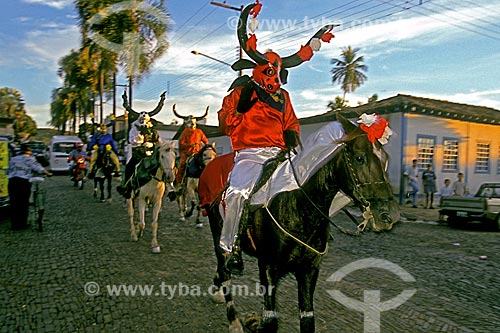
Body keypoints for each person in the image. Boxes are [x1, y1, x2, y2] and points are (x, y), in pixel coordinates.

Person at [6, 143, 52, 230]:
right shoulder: (29, 159)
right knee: (23, 202)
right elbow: (39, 168)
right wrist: (48, 173)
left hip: (12, 181)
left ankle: (14, 225)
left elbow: (8, 171)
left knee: (14, 203)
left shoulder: (13, 159)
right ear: (29, 151)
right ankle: (22, 224)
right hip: (23, 182)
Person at [116, 115, 160, 199]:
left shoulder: (153, 131)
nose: (144, 121)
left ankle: (170, 186)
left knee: (164, 165)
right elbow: (131, 140)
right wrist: (139, 141)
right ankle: (125, 186)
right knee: (130, 167)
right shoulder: (134, 129)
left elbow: (157, 141)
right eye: (142, 119)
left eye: (145, 119)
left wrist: (152, 144)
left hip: (151, 153)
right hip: (139, 153)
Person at [175, 115, 208, 185]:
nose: (193, 124)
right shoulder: (185, 132)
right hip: (186, 152)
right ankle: (179, 181)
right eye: (191, 123)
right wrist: (189, 145)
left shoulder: (199, 131)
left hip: (197, 152)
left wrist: (207, 146)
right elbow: (181, 143)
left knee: (205, 161)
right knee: (182, 163)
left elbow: (205, 140)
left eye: (194, 123)